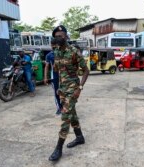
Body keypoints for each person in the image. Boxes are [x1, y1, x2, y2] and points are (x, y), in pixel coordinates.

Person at [48, 25, 89, 161]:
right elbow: (58, 69)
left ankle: (58, 148)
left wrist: (80, 88)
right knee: (72, 114)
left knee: (65, 116)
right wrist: (58, 87)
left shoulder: (74, 52)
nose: (58, 38)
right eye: (56, 36)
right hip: (63, 89)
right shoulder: (57, 52)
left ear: (66, 36)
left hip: (73, 88)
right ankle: (79, 137)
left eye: (61, 35)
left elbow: (86, 70)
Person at [44, 39, 62, 115]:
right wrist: (45, 77)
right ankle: (59, 108)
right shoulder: (49, 55)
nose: (53, 46)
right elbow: (46, 67)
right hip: (54, 77)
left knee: (64, 92)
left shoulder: (62, 53)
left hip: (64, 76)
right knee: (56, 93)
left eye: (55, 45)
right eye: (52, 45)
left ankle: (65, 107)